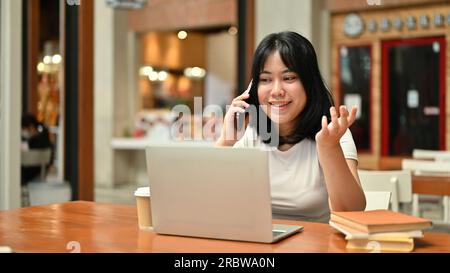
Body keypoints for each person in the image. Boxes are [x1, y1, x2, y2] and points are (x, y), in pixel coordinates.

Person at [216, 31, 366, 223]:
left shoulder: (334, 134)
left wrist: (329, 148)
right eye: (265, 79)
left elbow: (352, 212)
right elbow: (208, 199)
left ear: (309, 84)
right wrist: (226, 140)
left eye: (288, 78)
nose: (277, 91)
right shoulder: (251, 135)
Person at [21, 113, 53, 185]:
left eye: (23, 129)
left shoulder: (33, 142)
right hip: (41, 175)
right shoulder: (45, 138)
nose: (22, 132)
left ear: (31, 127)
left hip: (28, 176)